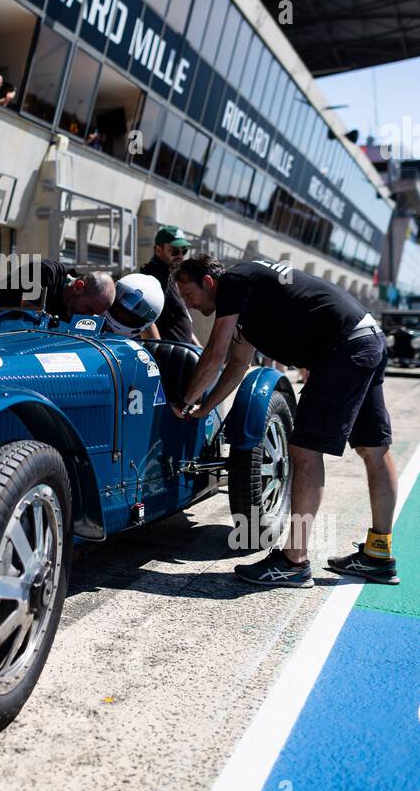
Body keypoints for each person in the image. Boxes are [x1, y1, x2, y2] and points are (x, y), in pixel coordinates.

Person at [172, 254, 398, 589]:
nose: (189, 305)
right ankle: (379, 555)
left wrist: (184, 402)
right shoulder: (251, 295)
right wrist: (204, 408)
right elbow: (236, 364)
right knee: (373, 448)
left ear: (208, 281)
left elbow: (215, 354)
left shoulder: (234, 281)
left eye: (189, 295)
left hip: (344, 349)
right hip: (367, 337)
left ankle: (294, 562)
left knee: (304, 451)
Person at [0, 258, 115, 321]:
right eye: (89, 309)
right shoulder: (44, 274)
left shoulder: (72, 309)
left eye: (94, 314)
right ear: (78, 287)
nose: (88, 316)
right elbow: (27, 320)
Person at [139, 225, 201, 345]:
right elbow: (145, 321)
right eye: (175, 251)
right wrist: (158, 351)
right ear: (158, 250)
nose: (180, 256)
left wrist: (199, 349)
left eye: (184, 251)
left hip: (183, 351)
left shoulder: (170, 275)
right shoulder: (152, 278)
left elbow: (181, 318)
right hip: (168, 354)